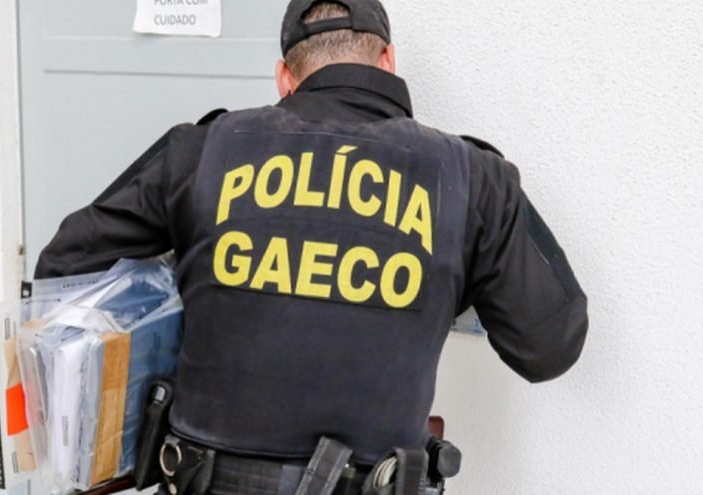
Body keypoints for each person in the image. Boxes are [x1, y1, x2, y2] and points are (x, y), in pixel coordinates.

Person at [35, 1, 588, 493]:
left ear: (284, 77)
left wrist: (189, 302)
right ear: (388, 61)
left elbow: (64, 269)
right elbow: (549, 346)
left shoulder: (201, 151)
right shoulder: (473, 179)